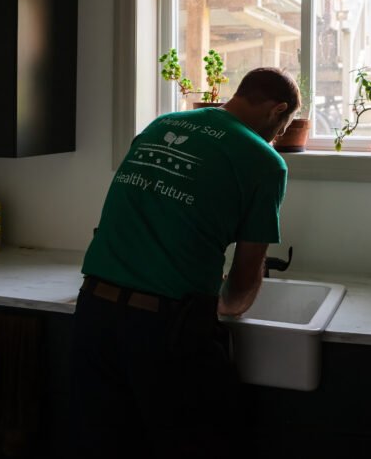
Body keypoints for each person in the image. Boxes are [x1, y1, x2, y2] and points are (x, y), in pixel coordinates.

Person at [71, 67, 300, 458]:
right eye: (282, 128)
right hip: (164, 331)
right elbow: (244, 280)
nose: (276, 138)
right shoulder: (265, 161)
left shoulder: (163, 124)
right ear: (277, 110)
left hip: (92, 314)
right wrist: (226, 306)